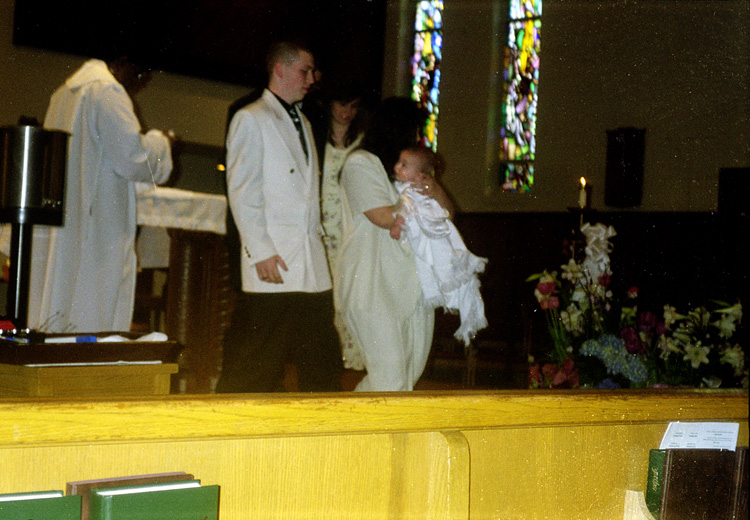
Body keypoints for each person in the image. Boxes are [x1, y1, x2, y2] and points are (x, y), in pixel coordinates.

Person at [216, 41, 342, 393]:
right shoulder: (250, 117)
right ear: (280, 70)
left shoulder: (303, 118)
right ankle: (227, 429)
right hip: (274, 259)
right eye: (305, 70)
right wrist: (260, 250)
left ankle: (328, 434)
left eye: (313, 71)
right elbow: (242, 190)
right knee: (256, 360)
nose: (312, 79)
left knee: (322, 359)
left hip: (309, 263)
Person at [28, 55, 173, 333]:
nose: (137, 85)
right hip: (96, 229)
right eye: (139, 76)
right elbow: (133, 158)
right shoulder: (107, 91)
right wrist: (163, 144)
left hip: (69, 219)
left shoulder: (63, 94)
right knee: (90, 310)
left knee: (62, 304)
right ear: (124, 64)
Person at [336, 97, 452, 391]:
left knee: (406, 378)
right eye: (414, 131)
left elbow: (448, 216)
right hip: (372, 282)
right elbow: (383, 217)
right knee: (391, 378)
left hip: (411, 285)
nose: (417, 139)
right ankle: (353, 433)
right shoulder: (360, 163)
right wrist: (414, 193)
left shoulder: (406, 174)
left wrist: (433, 187)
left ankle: (360, 429)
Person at [390, 146, 488, 346]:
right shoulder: (400, 188)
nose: (398, 167)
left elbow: (448, 214)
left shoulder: (416, 190)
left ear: (419, 174)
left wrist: (435, 190)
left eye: (404, 165)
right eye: (399, 162)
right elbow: (403, 208)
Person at [313, 80, 368, 371]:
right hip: (321, 229)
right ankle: (328, 358)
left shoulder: (363, 142)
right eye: (341, 104)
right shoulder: (314, 138)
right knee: (327, 296)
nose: (346, 112)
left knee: (348, 294)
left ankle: (353, 358)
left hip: (349, 229)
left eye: (353, 106)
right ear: (329, 104)